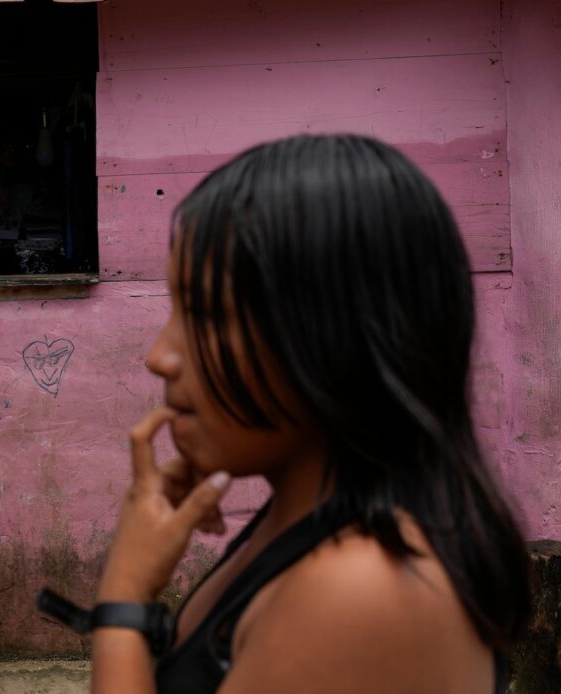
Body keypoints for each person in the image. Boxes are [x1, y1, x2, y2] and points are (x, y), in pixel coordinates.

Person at [90, 134, 530, 692]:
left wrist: (123, 601)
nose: (160, 356)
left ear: (332, 338)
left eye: (203, 313)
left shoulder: (360, 586)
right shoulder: (307, 520)